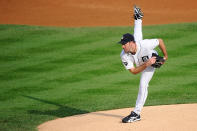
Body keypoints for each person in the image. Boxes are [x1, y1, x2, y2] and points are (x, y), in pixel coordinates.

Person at [118, 5, 168, 123]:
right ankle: (138, 18)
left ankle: (136, 113)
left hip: (151, 59)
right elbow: (134, 71)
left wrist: (165, 56)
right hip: (145, 62)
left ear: (130, 43)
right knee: (137, 35)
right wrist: (145, 64)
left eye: (124, 43)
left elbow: (160, 41)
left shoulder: (145, 44)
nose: (122, 46)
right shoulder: (124, 55)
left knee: (143, 84)